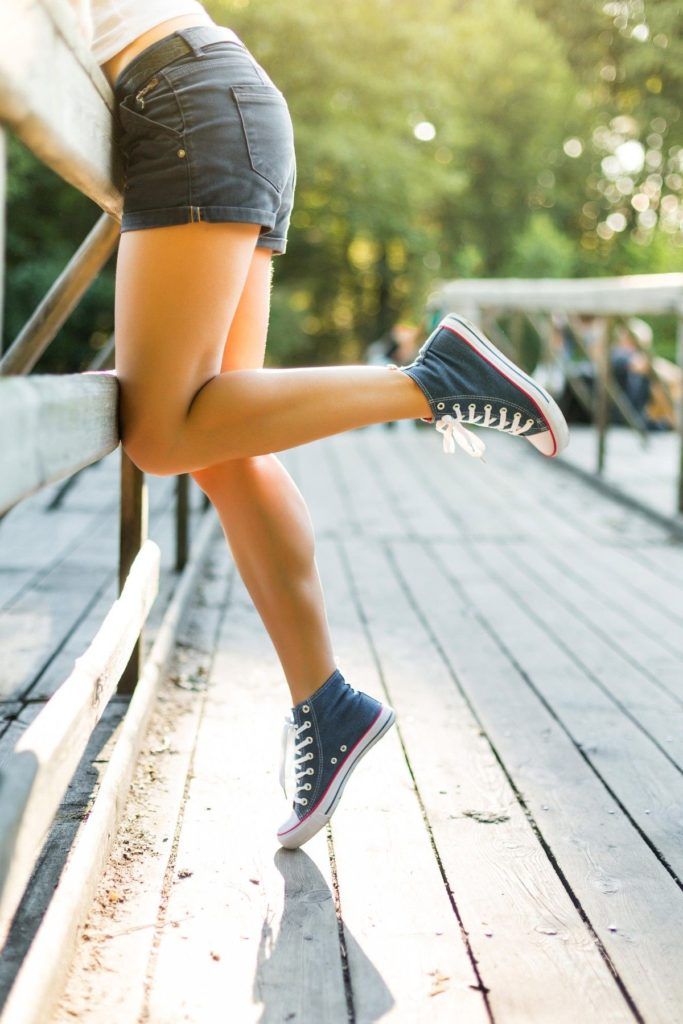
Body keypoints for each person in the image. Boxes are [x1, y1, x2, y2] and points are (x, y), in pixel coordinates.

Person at [71, 0, 569, 849]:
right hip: (215, 100)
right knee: (223, 445)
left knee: (162, 435)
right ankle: (327, 706)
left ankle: (430, 382)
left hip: (188, 106)